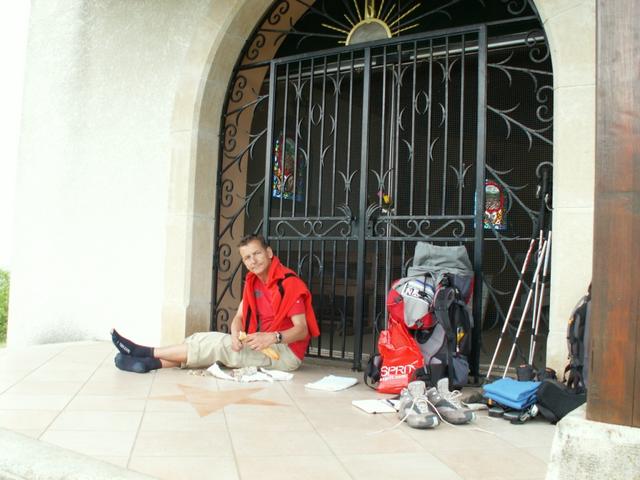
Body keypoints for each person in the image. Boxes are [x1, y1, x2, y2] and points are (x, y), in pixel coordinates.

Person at [112, 234, 319, 373]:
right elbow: (239, 317)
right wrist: (235, 333)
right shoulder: (253, 282)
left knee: (219, 347)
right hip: (260, 344)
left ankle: (146, 352)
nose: (253, 261)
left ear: (269, 253)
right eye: (247, 258)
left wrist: (272, 338)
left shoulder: (289, 283)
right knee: (205, 339)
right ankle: (148, 364)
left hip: (285, 354)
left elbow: (302, 330)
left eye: (256, 253)